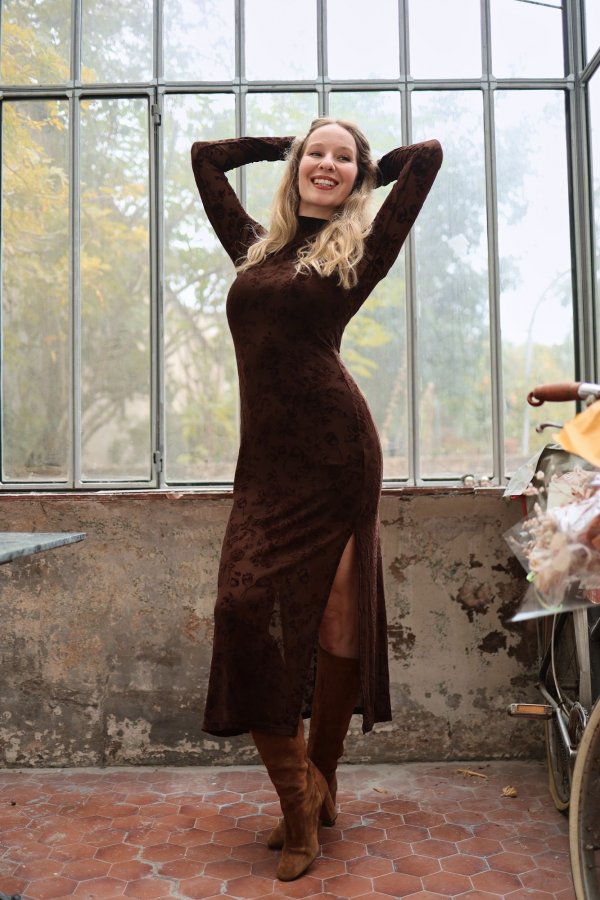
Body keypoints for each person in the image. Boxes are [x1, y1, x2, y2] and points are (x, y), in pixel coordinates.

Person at [191, 118, 442, 881]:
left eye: (341, 157)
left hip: (339, 457)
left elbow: (427, 158)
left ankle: (322, 780)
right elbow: (205, 160)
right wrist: (282, 145)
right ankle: (298, 796)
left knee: (339, 622)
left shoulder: (358, 251)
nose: (326, 164)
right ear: (297, 164)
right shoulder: (255, 247)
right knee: (241, 608)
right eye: (316, 154)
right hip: (266, 467)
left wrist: (369, 171)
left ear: (356, 174)